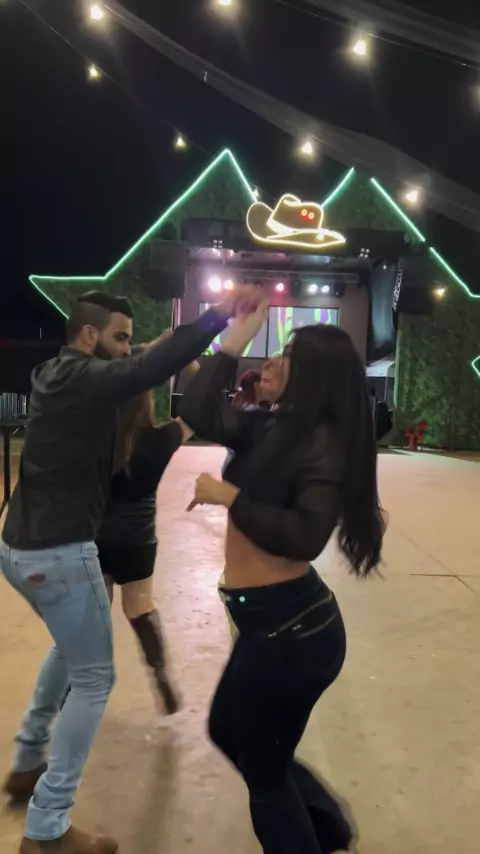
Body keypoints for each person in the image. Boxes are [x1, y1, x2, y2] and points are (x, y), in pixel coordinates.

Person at [0, 288, 256, 854]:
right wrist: (221, 320)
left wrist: (153, 346)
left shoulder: (52, 373)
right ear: (89, 335)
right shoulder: (94, 383)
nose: (127, 348)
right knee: (95, 679)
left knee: (70, 650)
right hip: (62, 553)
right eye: (119, 337)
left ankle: (27, 758)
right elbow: (151, 372)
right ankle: (47, 828)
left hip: (18, 548)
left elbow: (139, 361)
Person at [179, 304, 385, 854]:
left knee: (265, 777)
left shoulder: (324, 442)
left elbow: (305, 537)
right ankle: (327, 829)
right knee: (227, 732)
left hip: (293, 631)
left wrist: (233, 498)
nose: (272, 359)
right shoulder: (270, 425)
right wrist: (234, 338)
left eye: (288, 355)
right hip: (264, 623)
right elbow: (198, 411)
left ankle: (316, 832)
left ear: (315, 373)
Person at [96, 361, 200, 715]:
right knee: (139, 606)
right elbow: (202, 412)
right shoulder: (161, 438)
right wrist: (192, 367)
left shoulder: (95, 438)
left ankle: (75, 682)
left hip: (96, 537)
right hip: (137, 541)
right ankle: (158, 670)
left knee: (94, 612)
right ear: (146, 402)